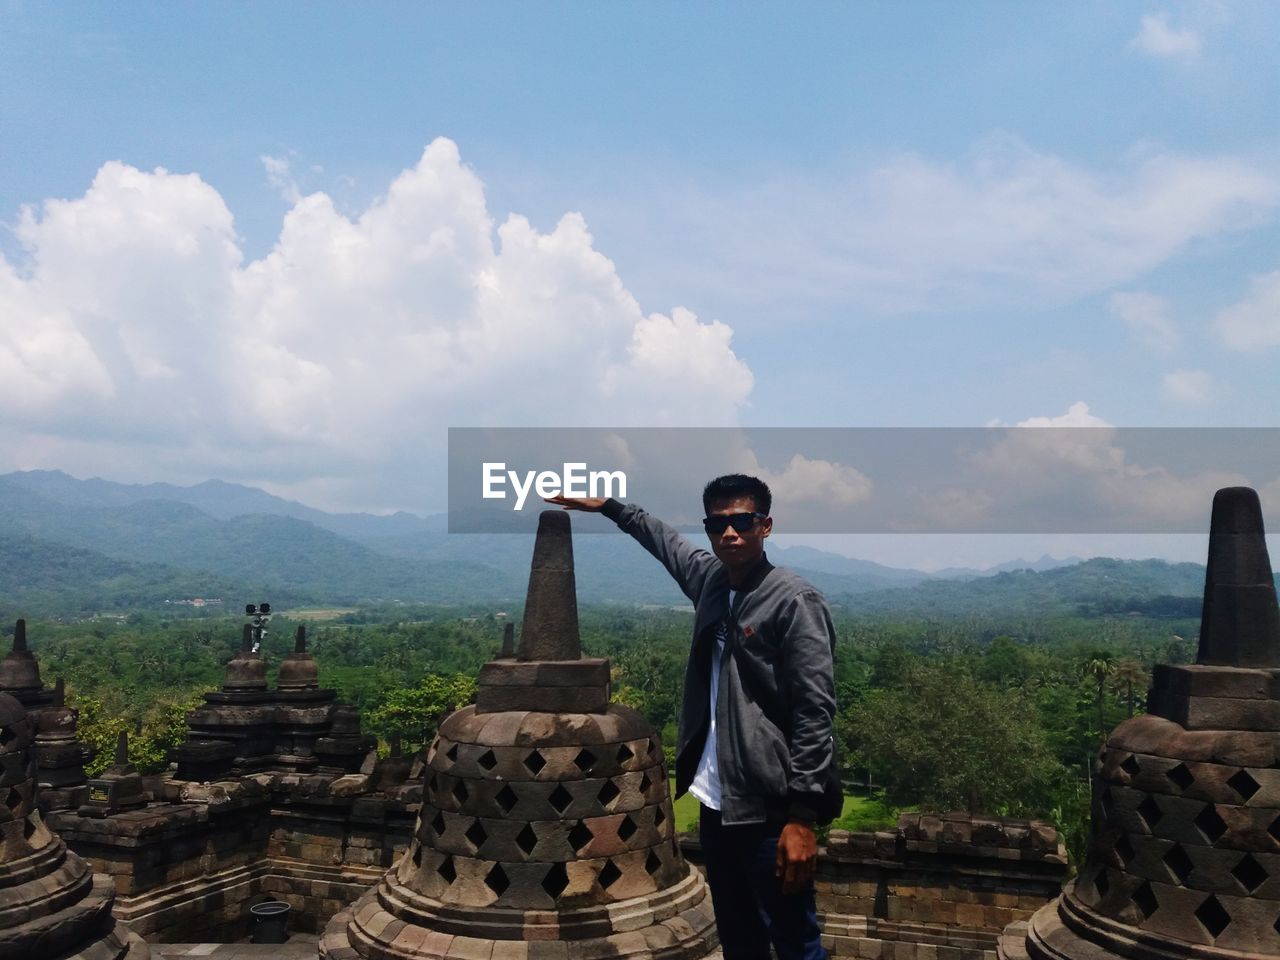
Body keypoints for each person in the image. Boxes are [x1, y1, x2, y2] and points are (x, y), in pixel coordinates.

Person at [548, 474, 837, 960]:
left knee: (795, 943)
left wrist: (802, 817)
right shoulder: (710, 582)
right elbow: (665, 541)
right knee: (740, 938)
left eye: (742, 522)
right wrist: (610, 508)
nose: (729, 533)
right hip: (714, 801)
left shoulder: (793, 600)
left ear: (765, 526)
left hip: (769, 810)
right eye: (718, 524)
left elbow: (815, 710)